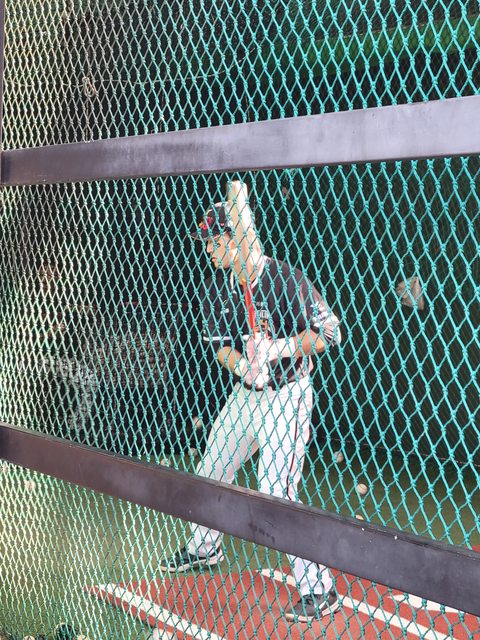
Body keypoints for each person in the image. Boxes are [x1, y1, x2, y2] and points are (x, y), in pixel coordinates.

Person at [161, 180, 342, 622]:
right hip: (247, 395)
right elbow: (221, 348)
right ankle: (205, 547)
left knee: (275, 490)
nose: (207, 250)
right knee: (212, 466)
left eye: (213, 241)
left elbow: (330, 333)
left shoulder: (286, 279)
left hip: (288, 394)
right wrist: (244, 366)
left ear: (235, 237)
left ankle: (320, 588)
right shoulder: (217, 289)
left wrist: (279, 348)